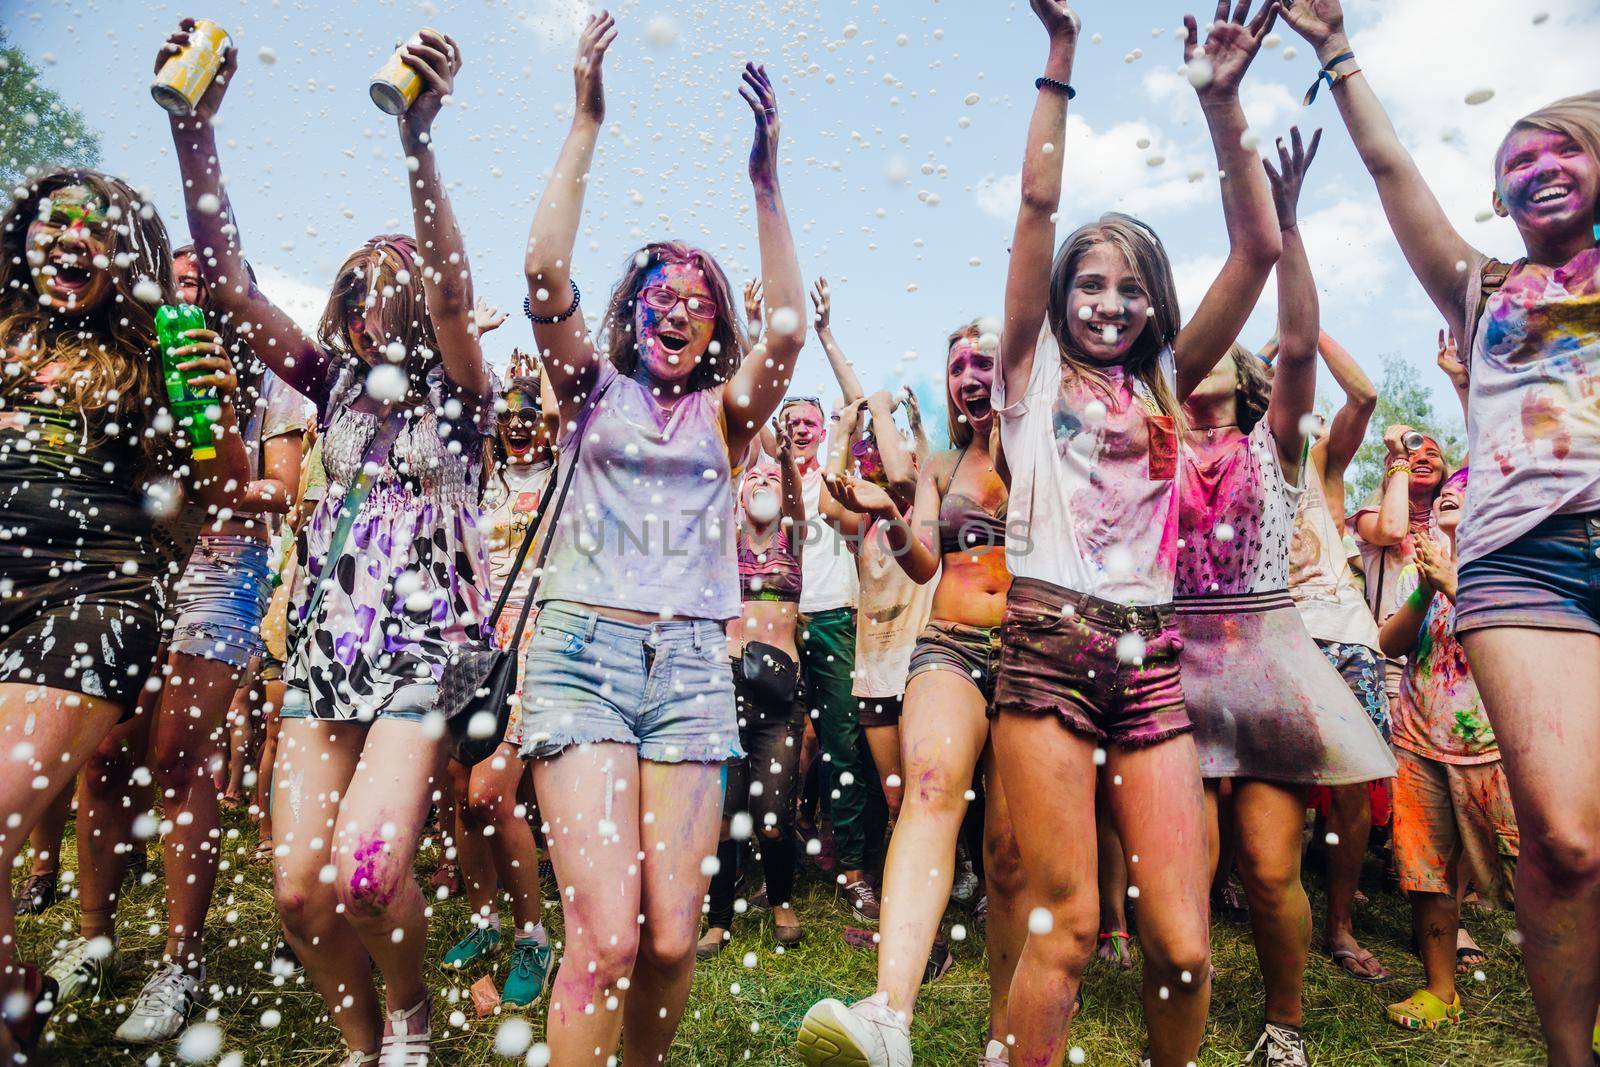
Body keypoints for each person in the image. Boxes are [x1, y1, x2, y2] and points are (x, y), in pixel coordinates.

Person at [165, 22, 494, 1064]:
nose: (372, 303)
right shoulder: (334, 387)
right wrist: (195, 134)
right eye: (356, 288)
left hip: (422, 650)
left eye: (389, 288)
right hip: (323, 650)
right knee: (301, 891)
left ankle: (410, 1016)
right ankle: (360, 1043)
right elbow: (225, 282)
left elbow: (448, 288)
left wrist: (418, 144)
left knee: (364, 868)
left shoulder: (467, 399)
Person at [1282, 2, 1600, 1058]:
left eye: (1567, 146)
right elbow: (1387, 174)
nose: (1541, 165)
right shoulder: (1483, 291)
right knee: (1560, 835)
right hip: (1527, 566)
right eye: (1518, 157)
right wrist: (1334, 50)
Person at [990, 2, 1284, 1064]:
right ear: (1062, 293)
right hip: (1046, 648)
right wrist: (1060, 57)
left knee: (1184, 944)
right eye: (1090, 281)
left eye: (1129, 288)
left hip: (1150, 657)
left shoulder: (1161, 389)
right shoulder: (1025, 376)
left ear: (1156, 307)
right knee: (1066, 930)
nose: (1108, 303)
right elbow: (1034, 202)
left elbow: (1256, 248)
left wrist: (1220, 104)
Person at [517, 13, 806, 1065]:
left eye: (695, 301)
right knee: (606, 932)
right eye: (658, 293)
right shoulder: (588, 389)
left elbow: (786, 331)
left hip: (692, 662)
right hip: (581, 653)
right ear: (632, 309)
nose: (675, 309)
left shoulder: (728, 418)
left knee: (674, 940)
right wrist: (587, 118)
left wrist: (765, 181)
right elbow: (544, 273)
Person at [0, 168, 249, 1059]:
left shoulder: (157, 348)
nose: (75, 239)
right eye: (55, 223)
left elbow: (225, 489)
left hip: (95, 593)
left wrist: (214, 408)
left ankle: (145, 961)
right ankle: (15, 998)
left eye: (98, 230)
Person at [46, 245, 305, 1044]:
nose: (186, 293)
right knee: (104, 751)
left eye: (203, 284)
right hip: (135, 563)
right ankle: (93, 940)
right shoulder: (131, 367)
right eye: (177, 281)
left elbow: (276, 494)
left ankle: (180, 962)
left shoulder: (270, 380)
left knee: (181, 755)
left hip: (224, 565)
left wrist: (218, 423)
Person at [1176, 127, 1396, 1065]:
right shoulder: (1154, 440)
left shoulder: (1278, 443)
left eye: (1234, 341)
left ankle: (1284, 1026)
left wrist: (1291, 226)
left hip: (1266, 655)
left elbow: (1300, 339)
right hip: (1173, 657)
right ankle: (1175, 1016)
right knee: (1180, 868)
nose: (1219, 344)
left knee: (1270, 868)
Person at [797, 321, 1026, 1067]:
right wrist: (893, 516)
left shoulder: (1043, 447)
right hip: (950, 643)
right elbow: (924, 564)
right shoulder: (942, 462)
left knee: (1010, 853)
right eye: (956, 362)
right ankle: (888, 1015)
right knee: (927, 789)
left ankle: (1006, 1030)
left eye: (983, 361)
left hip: (1032, 653)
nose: (969, 373)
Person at [1378, 468, 1519, 1032]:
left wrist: (1457, 583)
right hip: (1418, 742)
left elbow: (1510, 637)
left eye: (1465, 486)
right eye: (1445, 492)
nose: (1450, 493)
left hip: (1494, 749)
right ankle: (1441, 991)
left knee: (1534, 876)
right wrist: (1426, 588)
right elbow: (1389, 641)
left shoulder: (1509, 563)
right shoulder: (1426, 562)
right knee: (1426, 872)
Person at [438, 353, 556, 1009]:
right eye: (508, 416)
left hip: (529, 643)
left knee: (491, 792)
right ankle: (485, 920)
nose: (518, 426)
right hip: (471, 641)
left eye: (529, 415)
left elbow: (566, 412)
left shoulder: (560, 476)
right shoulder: (480, 480)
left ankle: (532, 934)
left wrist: (539, 369)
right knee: (460, 789)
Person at [1285, 331, 1392, 984]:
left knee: (1352, 787)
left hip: (1348, 635)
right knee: (1283, 790)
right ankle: (1280, 904)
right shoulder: (1246, 456)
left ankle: (1340, 924)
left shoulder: (1323, 462)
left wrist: (1306, 327)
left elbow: (1366, 393)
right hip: (1280, 635)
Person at [701, 426, 808, 956]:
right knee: (725, 811)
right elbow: (720, 477)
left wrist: (784, 461)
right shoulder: (723, 539)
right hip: (725, 687)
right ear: (741, 492)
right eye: (755, 478)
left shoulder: (795, 540)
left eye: (773, 480)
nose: (763, 482)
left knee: (772, 814)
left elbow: (795, 504)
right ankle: (718, 918)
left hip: (781, 695)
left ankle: (781, 899)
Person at [784, 389, 881, 919]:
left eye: (809, 422)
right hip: (773, 620)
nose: (800, 428)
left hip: (832, 617)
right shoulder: (761, 476)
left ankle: (852, 870)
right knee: (774, 744)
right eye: (791, 421)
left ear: (823, 431)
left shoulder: (836, 476)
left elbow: (855, 404)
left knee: (842, 744)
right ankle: (775, 869)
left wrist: (824, 336)